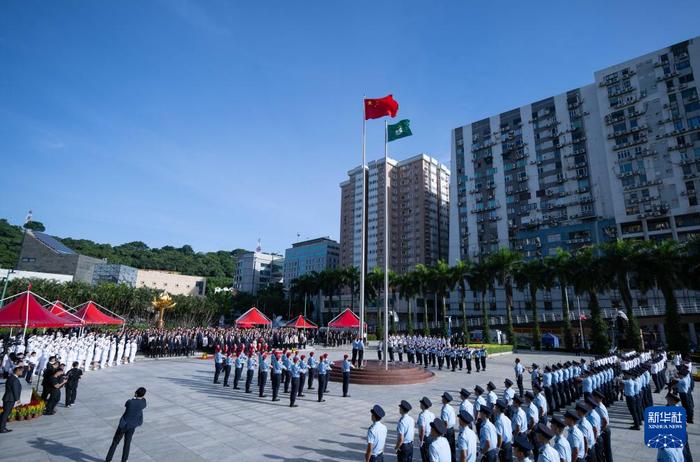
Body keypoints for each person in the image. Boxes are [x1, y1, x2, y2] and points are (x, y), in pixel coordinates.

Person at [106, 387, 147, 462]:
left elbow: (126, 404)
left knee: (115, 443)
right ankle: (124, 460)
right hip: (132, 426)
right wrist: (140, 397)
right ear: (143, 395)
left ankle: (108, 459)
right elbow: (144, 401)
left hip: (123, 425)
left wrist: (135, 397)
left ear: (136, 393)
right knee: (127, 444)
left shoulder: (130, 402)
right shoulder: (143, 404)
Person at [1, 365, 23, 434]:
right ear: (17, 371)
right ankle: (2, 428)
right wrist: (18, 399)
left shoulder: (11, 377)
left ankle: (2, 427)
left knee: (5, 413)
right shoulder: (14, 379)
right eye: (21, 371)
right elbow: (15, 390)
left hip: (8, 398)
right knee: (6, 414)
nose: (22, 372)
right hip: (10, 399)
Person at [418, 397, 436, 462]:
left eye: (421, 403)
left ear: (423, 405)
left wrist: (421, 441)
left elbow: (422, 429)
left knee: (425, 456)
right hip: (431, 436)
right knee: (430, 455)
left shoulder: (422, 416)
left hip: (425, 437)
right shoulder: (432, 414)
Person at [440, 392, 456, 461]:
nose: (442, 399)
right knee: (452, 448)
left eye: (443, 398)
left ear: (445, 400)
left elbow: (445, 423)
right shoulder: (450, 407)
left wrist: (443, 432)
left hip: (447, 431)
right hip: (452, 429)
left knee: (447, 448)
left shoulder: (445, 409)